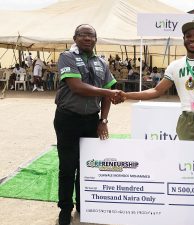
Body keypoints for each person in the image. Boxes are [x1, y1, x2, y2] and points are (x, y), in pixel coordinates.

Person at [118, 21, 194, 225]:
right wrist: (126, 94)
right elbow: (156, 91)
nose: (192, 39)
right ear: (184, 39)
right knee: (188, 166)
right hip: (186, 122)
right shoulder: (176, 66)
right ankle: (190, 206)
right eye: (188, 36)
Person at [54, 24, 123, 225]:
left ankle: (83, 204)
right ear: (75, 38)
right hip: (68, 119)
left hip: (91, 121)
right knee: (68, 166)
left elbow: (108, 91)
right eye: (82, 35)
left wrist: (103, 120)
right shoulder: (67, 57)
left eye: (91, 35)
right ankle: (65, 209)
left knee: (86, 166)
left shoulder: (102, 61)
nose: (87, 38)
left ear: (95, 39)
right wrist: (108, 92)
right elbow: (76, 87)